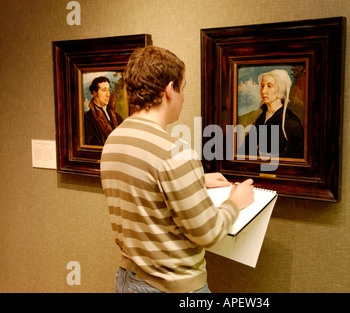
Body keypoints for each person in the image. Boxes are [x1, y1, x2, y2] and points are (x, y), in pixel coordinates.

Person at [100, 46, 254, 293]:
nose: (183, 97)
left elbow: (144, 184)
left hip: (127, 281)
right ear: (170, 90)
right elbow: (209, 233)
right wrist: (235, 202)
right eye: (183, 88)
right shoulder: (175, 153)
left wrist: (196, 179)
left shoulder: (115, 139)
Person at [243, 69, 304, 159]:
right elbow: (245, 147)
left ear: (281, 89)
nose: (263, 91)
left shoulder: (291, 121)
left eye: (269, 86)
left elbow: (296, 157)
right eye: (262, 86)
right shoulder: (260, 118)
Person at [84, 76, 123, 146]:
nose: (108, 95)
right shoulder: (88, 119)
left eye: (108, 90)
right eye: (104, 90)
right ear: (95, 93)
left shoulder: (117, 116)